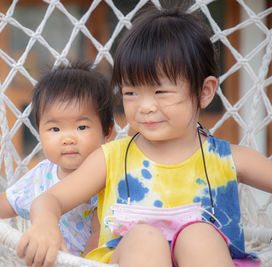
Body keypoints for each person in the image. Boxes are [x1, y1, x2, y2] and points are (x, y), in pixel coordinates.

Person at [16, 6, 272, 267]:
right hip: (132, 258)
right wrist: (46, 223)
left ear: (205, 91)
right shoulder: (111, 159)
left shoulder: (227, 159)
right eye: (131, 93)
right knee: (144, 238)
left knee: (200, 236)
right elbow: (50, 199)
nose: (145, 106)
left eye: (161, 92)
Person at [0, 62, 114, 257]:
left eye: (81, 127)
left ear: (107, 131)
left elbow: (103, 237)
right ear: (39, 132)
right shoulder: (42, 175)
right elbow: (6, 203)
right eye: (55, 129)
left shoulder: (111, 174)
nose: (68, 139)